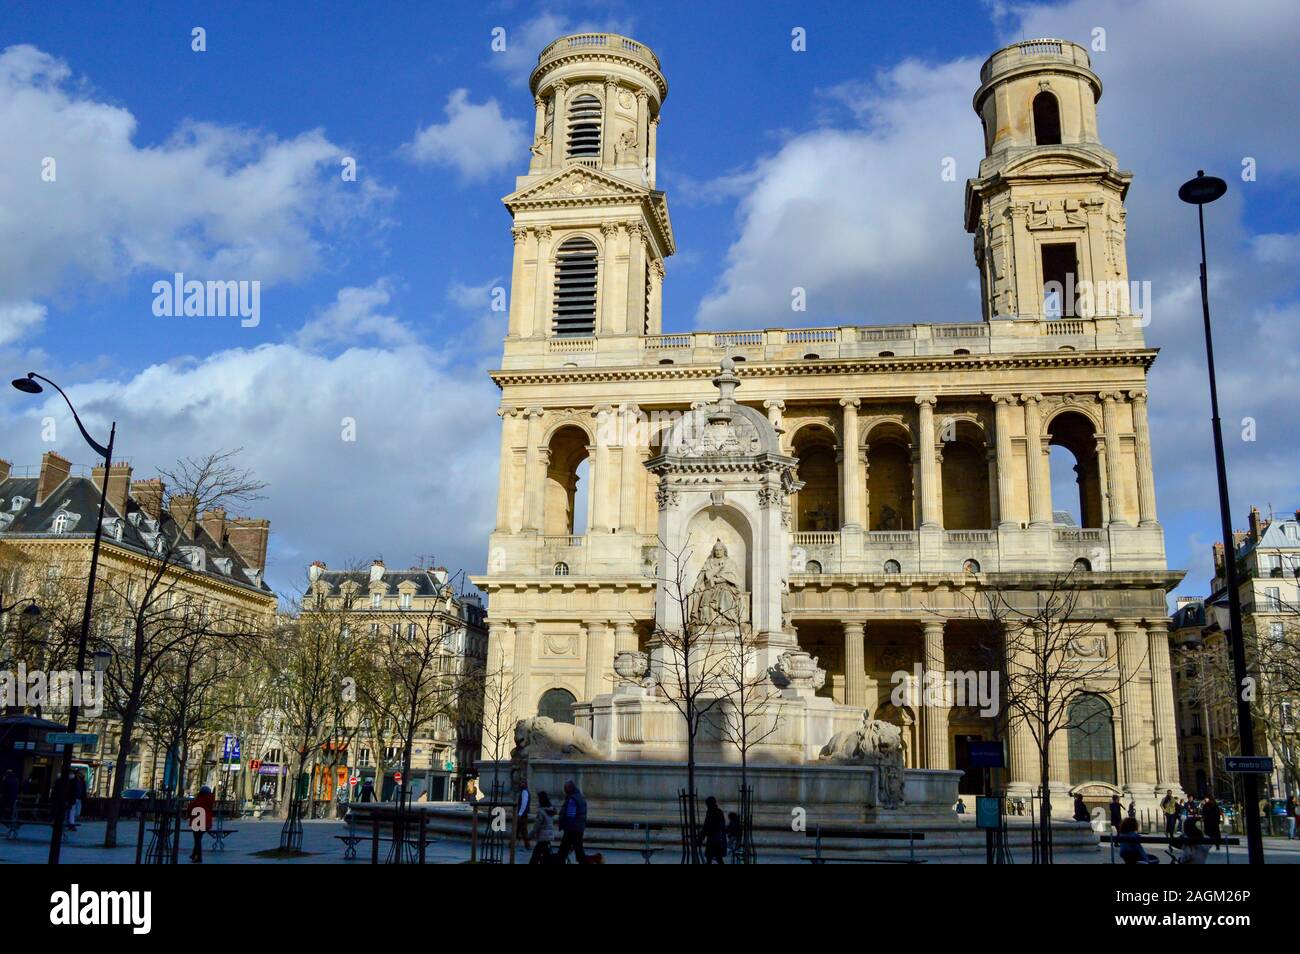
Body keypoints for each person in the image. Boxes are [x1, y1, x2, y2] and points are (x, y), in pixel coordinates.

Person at [556, 780, 589, 864]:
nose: (564, 790)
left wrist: (566, 826)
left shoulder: (572, 799)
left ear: (570, 788)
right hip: (578, 828)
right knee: (577, 849)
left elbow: (571, 815)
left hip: (572, 829)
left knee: (565, 849)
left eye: (565, 788)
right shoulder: (580, 797)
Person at [187, 785, 216, 863]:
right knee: (198, 839)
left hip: (198, 822)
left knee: (197, 840)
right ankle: (194, 855)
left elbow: (190, 808)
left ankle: (198, 857)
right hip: (207, 823)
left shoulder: (199, 800)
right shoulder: (210, 800)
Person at [529, 791, 555, 864]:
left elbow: (537, 826)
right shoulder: (550, 810)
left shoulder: (541, 811)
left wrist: (530, 835)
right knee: (546, 856)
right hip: (549, 836)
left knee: (535, 856)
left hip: (543, 837)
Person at [698, 796, 727, 864]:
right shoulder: (719, 812)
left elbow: (707, 825)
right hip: (717, 838)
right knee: (717, 857)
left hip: (713, 838)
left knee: (711, 856)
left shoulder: (711, 812)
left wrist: (702, 836)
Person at [515, 779, 532, 850]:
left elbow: (524, 804)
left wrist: (520, 814)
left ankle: (527, 845)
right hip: (523, 814)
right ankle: (512, 843)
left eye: (521, 783)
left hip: (523, 815)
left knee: (523, 830)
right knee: (517, 829)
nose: (520, 784)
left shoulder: (524, 792)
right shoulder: (524, 791)